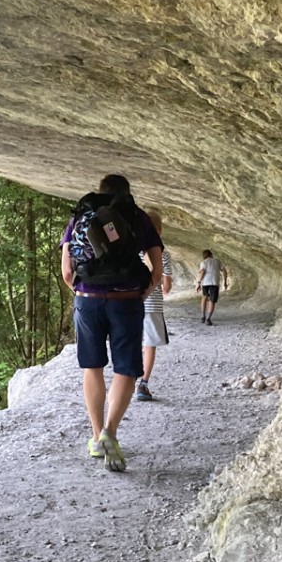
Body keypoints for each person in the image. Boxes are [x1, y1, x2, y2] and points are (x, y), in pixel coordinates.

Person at [60, 174, 163, 471]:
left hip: (87, 301)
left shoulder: (81, 216)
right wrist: (139, 293)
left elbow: (68, 270)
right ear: (127, 193)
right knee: (126, 369)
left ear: (99, 191)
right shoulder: (138, 216)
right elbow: (156, 270)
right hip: (127, 299)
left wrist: (81, 291)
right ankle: (110, 432)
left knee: (92, 367)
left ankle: (95, 437)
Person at [135, 211, 172, 402]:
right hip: (152, 305)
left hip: (133, 301)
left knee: (133, 341)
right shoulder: (163, 255)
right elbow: (166, 287)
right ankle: (143, 384)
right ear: (159, 230)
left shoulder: (134, 250)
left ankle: (126, 378)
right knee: (149, 345)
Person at [197, 249, 222, 325]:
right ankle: (208, 319)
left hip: (205, 283)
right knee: (212, 300)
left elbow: (203, 272)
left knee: (204, 297)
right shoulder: (217, 261)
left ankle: (203, 317)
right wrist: (224, 283)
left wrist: (199, 282)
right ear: (211, 254)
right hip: (214, 282)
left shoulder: (203, 262)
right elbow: (224, 270)